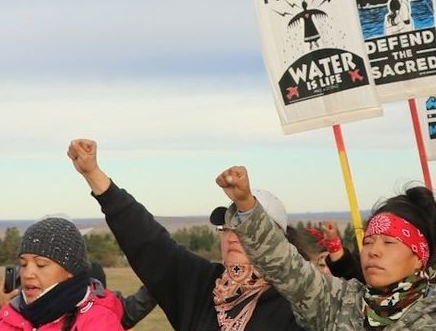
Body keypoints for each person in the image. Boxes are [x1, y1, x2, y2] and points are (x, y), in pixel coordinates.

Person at [66, 139, 306, 331]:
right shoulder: (203, 286)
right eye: (227, 227)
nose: (232, 235)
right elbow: (149, 241)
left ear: (275, 240)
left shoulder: (301, 301)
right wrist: (93, 174)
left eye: (246, 228)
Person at [220, 166, 436, 330]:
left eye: (389, 243)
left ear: (418, 257)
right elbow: (285, 267)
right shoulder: (339, 301)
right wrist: (247, 206)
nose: (373, 251)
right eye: (369, 242)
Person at [0, 217, 123, 330]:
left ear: (71, 270)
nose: (27, 274)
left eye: (40, 264)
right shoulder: (8, 315)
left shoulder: (99, 322)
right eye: (23, 264)